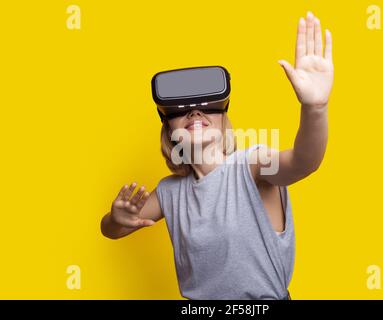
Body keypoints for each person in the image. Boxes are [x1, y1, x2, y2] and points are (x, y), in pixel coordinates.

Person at [101, 11, 334, 300]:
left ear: (224, 120)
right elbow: (112, 231)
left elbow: (304, 161)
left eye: (209, 107)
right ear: (168, 130)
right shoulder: (169, 192)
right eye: (180, 111)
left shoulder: (252, 166)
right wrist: (115, 218)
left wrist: (315, 108)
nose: (195, 112)